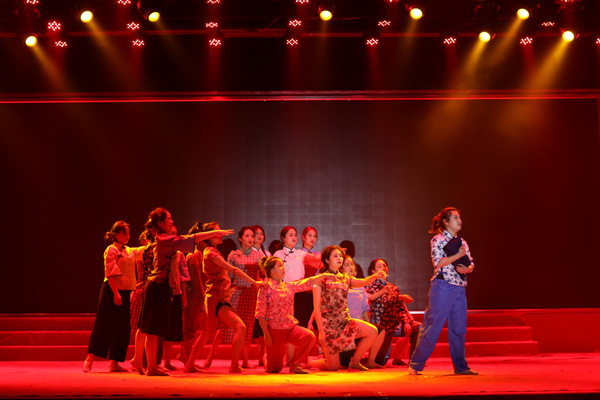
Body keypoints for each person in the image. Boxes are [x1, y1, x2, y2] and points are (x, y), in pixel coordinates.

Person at [131, 208, 233, 376]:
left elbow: (187, 239)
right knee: (152, 330)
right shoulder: (163, 238)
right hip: (157, 285)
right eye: (169, 219)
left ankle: (146, 363)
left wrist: (213, 233)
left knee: (152, 329)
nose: (172, 221)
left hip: (162, 286)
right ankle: (151, 367)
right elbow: (190, 238)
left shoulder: (165, 238)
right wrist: (212, 233)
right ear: (160, 223)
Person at [183, 222, 266, 374]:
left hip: (218, 297)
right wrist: (255, 282)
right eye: (217, 232)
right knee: (240, 327)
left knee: (207, 333)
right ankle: (233, 365)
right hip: (217, 298)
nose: (220, 235)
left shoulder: (211, 252)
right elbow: (233, 269)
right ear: (209, 236)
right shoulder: (211, 253)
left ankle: (190, 364)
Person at [409, 207, 477, 375]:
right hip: (442, 286)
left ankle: (461, 367)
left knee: (459, 328)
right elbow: (438, 263)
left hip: (459, 287)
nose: (459, 220)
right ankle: (416, 364)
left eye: (459, 217)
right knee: (433, 325)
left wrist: (467, 269)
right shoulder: (437, 239)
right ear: (445, 222)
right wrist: (458, 255)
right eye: (455, 218)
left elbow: (471, 263)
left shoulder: (462, 241)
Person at [308, 245, 385, 371]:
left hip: (345, 322)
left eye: (340, 256)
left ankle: (355, 362)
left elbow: (363, 282)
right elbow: (316, 306)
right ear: (327, 260)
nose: (339, 258)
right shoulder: (320, 279)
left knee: (372, 331)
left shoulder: (345, 278)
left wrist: (375, 276)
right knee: (333, 367)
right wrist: (321, 331)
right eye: (335, 256)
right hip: (329, 327)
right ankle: (310, 362)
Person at [84, 221, 145, 373]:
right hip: (111, 290)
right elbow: (110, 272)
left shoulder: (129, 251)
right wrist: (116, 293)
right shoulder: (111, 249)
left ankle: (115, 362)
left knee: (122, 328)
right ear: (116, 234)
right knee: (103, 324)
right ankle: (90, 358)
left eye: (128, 233)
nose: (128, 236)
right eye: (125, 233)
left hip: (125, 291)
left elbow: (142, 251)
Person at [255, 256, 332, 374]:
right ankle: (267, 357)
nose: (283, 268)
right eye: (279, 266)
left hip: (290, 327)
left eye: (283, 266)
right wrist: (267, 334)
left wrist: (323, 276)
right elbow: (260, 314)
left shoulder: (288, 286)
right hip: (274, 330)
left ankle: (295, 365)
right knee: (274, 369)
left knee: (309, 336)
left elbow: (307, 282)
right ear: (271, 270)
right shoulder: (265, 288)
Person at [365, 258, 420, 366]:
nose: (383, 268)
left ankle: (415, 361)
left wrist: (406, 322)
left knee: (418, 327)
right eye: (379, 266)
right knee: (381, 362)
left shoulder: (393, 287)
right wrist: (399, 297)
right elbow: (383, 301)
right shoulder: (371, 286)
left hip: (395, 324)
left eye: (384, 266)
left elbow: (401, 307)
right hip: (382, 326)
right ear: (373, 271)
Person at [223, 226, 263, 368]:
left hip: (251, 293)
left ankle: (245, 361)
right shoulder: (234, 255)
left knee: (248, 327)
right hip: (237, 292)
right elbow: (229, 276)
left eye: (252, 236)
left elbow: (263, 274)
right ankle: (228, 359)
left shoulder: (258, 256)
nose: (250, 239)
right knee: (233, 326)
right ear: (240, 238)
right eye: (247, 236)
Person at [338, 255, 386, 369]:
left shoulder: (360, 286)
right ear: (341, 268)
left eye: (352, 264)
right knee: (339, 365)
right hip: (344, 328)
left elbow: (364, 309)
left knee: (378, 330)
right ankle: (311, 362)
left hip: (358, 327)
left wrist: (368, 325)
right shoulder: (338, 284)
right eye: (347, 265)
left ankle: (370, 361)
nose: (351, 267)